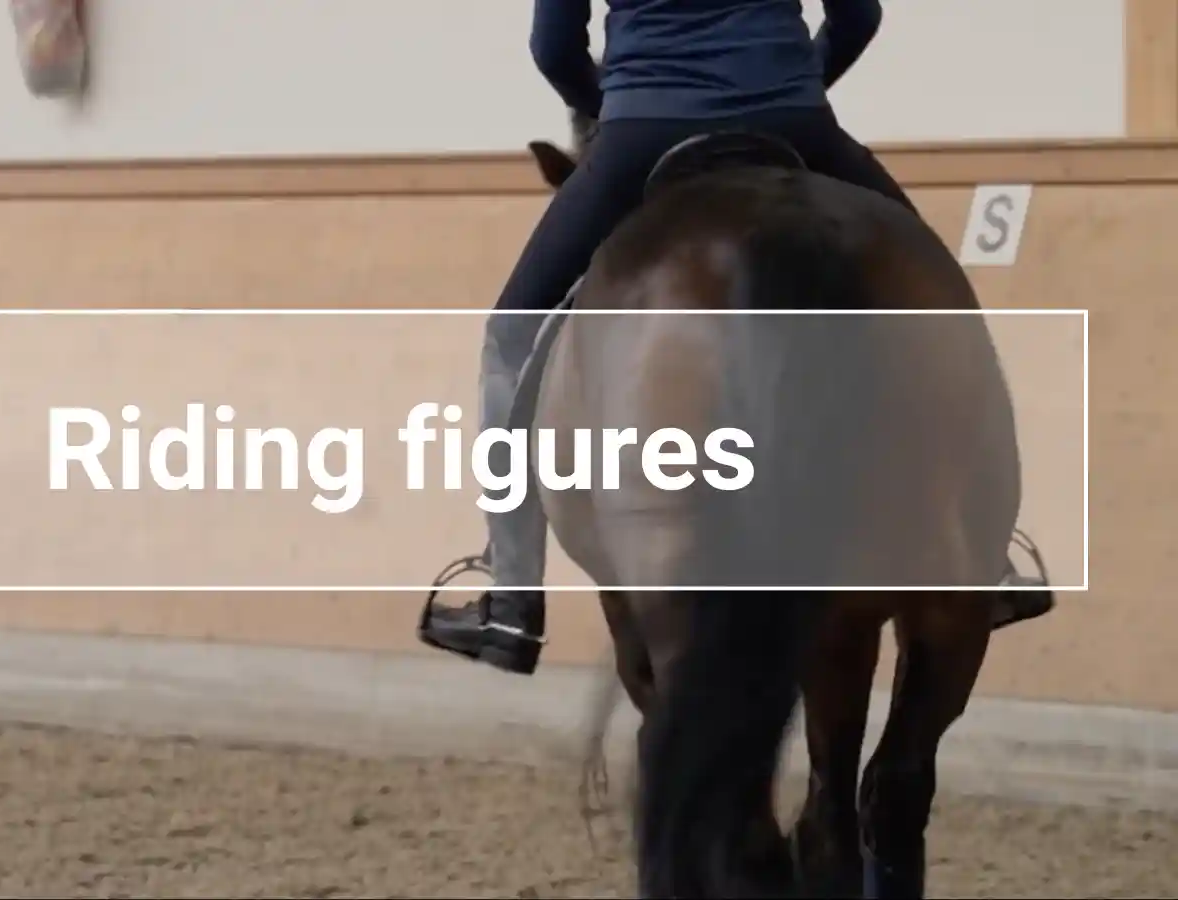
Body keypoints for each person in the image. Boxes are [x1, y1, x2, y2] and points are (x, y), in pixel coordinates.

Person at [416, 0, 1054, 676]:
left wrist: (608, 107)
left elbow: (553, 46)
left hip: (641, 127)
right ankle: (983, 554)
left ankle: (512, 598)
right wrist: (794, 82)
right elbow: (859, 16)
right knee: (939, 301)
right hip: (792, 116)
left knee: (511, 334)